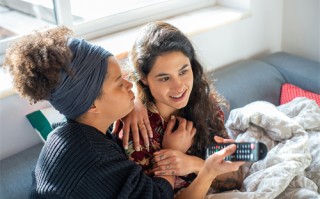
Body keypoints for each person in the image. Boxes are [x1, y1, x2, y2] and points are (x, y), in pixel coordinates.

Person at [4, 26, 242, 199]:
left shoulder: (72, 134)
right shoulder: (122, 139)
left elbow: (236, 166)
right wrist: (174, 154)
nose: (130, 84)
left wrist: (196, 164)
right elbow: (158, 195)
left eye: (184, 71)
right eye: (120, 83)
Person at [114, 21, 243, 195]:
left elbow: (236, 176)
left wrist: (194, 164)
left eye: (183, 71)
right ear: (144, 79)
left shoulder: (203, 103)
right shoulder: (136, 132)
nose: (179, 87)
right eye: (164, 78)